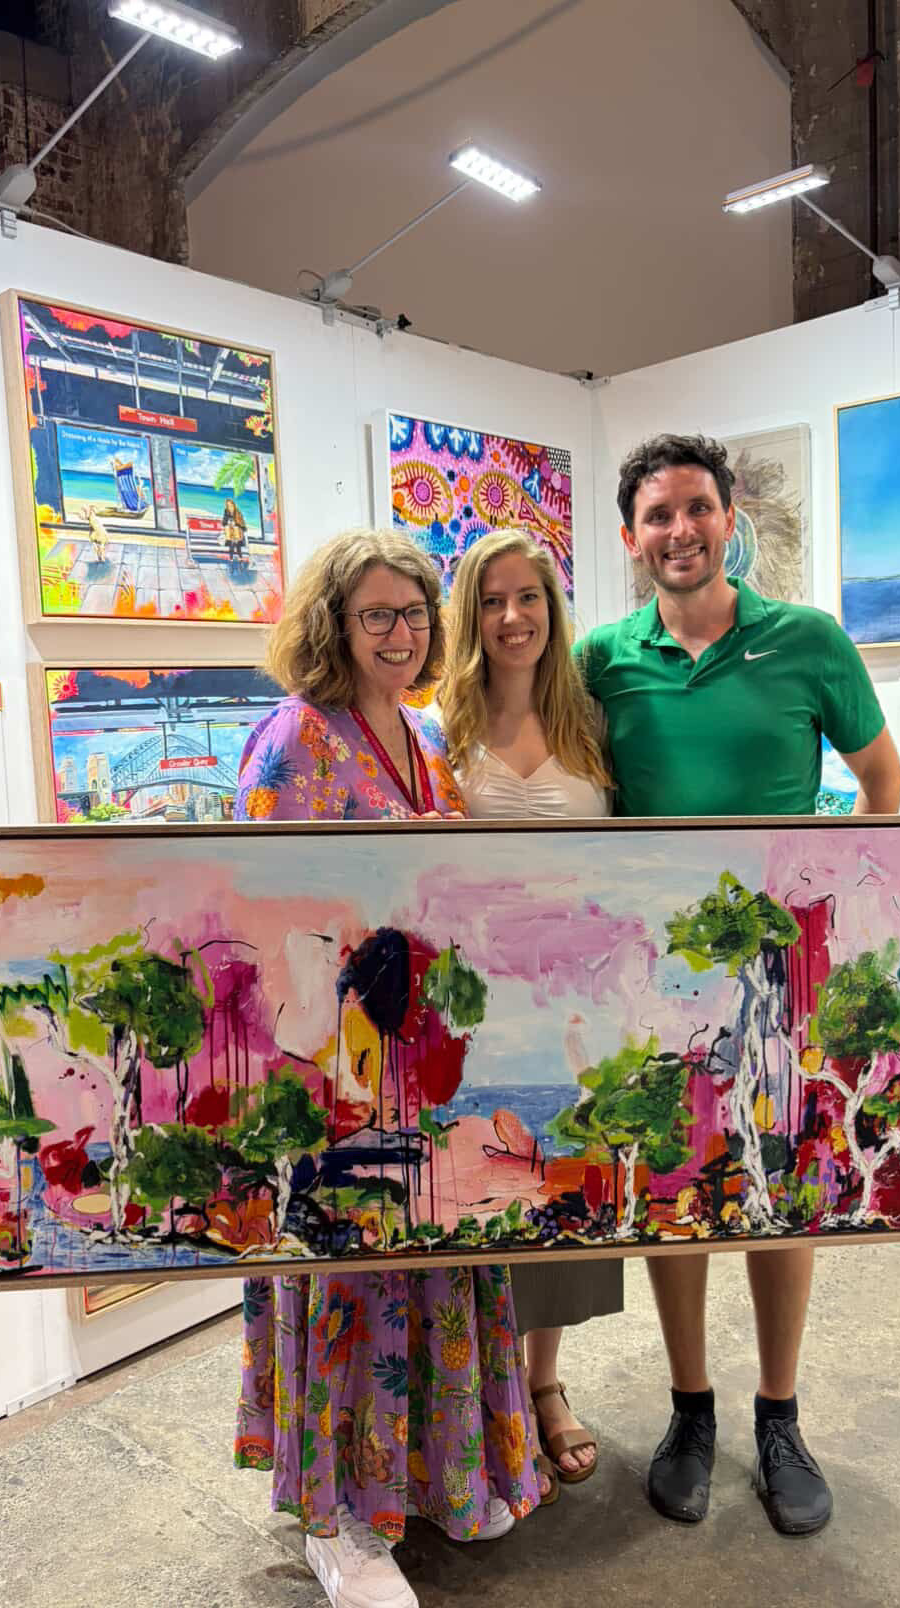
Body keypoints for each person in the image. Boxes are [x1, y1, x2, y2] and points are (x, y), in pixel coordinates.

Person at [576, 434, 900, 1539]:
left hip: (782, 972)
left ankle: (779, 1416)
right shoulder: (601, 660)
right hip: (658, 980)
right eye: (658, 515)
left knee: (781, 1186)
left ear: (730, 520)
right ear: (632, 537)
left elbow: (883, 783)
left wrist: (841, 920)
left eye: (697, 509)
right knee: (674, 1185)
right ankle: (690, 1409)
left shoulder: (809, 640)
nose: (680, 531)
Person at [233, 528, 538, 1608]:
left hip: (425, 1067)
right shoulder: (295, 739)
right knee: (349, 1279)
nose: (401, 634)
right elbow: (261, 912)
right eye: (377, 615)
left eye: (414, 614)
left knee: (434, 1269)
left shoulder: (422, 734)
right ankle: (340, 1520)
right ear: (335, 624)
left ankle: (433, 1479)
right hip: (334, 1077)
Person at [440, 528, 621, 1505]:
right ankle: (489, 1398)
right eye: (493, 599)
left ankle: (544, 1385)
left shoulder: (591, 724)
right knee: (482, 1196)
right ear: (470, 615)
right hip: (474, 1012)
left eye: (530, 598)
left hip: (576, 1007)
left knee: (562, 1194)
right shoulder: (439, 728)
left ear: (553, 608)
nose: (513, 617)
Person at [223, 497, 248, 564]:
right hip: (230, 530)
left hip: (237, 530)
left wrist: (237, 524)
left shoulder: (237, 512)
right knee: (231, 545)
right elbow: (224, 521)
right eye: (228, 505)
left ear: (233, 505)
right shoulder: (226, 511)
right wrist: (227, 523)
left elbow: (241, 522)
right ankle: (231, 559)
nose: (230, 507)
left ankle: (240, 558)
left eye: (231, 505)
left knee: (238, 545)